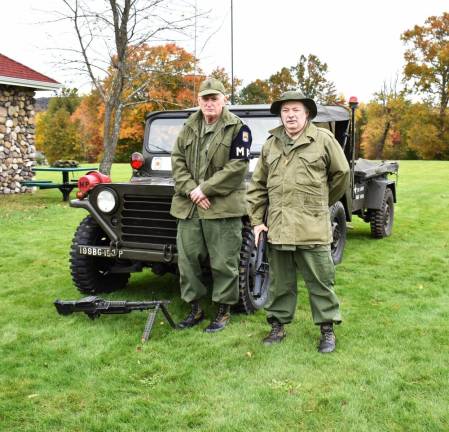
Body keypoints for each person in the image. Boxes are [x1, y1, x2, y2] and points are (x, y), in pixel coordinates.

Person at [246, 91, 350, 352]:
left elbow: (341, 175)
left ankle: (327, 330)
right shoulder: (271, 144)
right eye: (285, 111)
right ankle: (278, 326)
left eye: (295, 110)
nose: (290, 115)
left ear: (307, 114)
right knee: (281, 282)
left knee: (321, 280)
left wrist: (319, 203)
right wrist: (258, 221)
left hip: (312, 227)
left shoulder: (323, 139)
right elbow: (257, 185)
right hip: (278, 228)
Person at [170, 78, 252, 333]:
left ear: (224, 99)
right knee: (188, 261)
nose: (209, 103)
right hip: (190, 206)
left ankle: (223, 311)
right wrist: (191, 191)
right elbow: (178, 160)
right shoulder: (188, 126)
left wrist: (203, 189)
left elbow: (237, 168)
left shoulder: (238, 128)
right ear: (198, 101)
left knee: (224, 261)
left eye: (214, 98)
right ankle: (195, 309)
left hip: (223, 206)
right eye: (205, 99)